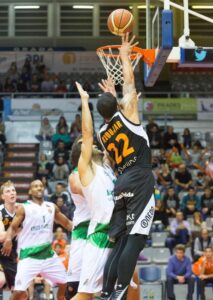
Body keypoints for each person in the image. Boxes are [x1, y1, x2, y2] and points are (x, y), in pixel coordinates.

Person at [97, 33, 155, 299]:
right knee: (136, 238)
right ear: (117, 106)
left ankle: (108, 291)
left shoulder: (101, 132)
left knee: (120, 242)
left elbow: (110, 158)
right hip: (139, 178)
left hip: (120, 182)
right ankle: (120, 290)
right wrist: (124, 53)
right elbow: (130, 84)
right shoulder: (129, 115)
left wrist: (112, 99)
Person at [71, 82, 116, 300]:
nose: (95, 144)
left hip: (116, 233)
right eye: (87, 145)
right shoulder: (86, 170)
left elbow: (114, 137)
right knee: (84, 295)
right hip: (100, 234)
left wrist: (114, 100)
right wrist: (85, 101)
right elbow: (88, 134)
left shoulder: (106, 166)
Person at [1, 179, 72, 300]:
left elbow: (67, 223)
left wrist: (84, 230)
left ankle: (60, 297)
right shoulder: (23, 208)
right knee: (19, 292)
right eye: (35, 186)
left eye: (41, 186)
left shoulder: (51, 206)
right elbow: (10, 229)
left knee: (64, 282)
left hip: (48, 255)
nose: (39, 188)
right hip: (26, 256)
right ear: (30, 191)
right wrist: (8, 239)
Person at [66, 138, 91, 299]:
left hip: (103, 229)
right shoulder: (75, 175)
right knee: (74, 286)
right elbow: (89, 192)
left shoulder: (103, 171)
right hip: (83, 230)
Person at [0, 181, 18, 298]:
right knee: (0, 280)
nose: (12, 193)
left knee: (20, 291)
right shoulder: (0, 211)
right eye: (8, 191)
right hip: (1, 252)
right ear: (2, 196)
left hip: (13, 254)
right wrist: (19, 229)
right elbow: (1, 236)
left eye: (13, 190)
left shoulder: (21, 210)